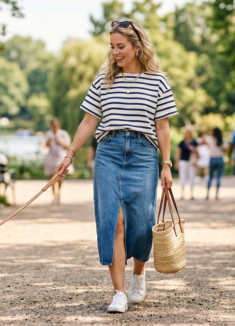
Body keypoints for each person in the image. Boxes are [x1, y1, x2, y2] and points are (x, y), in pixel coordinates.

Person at [53, 19, 177, 313]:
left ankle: (138, 274)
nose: (115, 52)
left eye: (120, 46)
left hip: (144, 154)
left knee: (142, 223)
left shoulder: (157, 81)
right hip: (107, 152)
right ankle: (119, 292)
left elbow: (163, 128)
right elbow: (88, 122)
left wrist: (167, 164)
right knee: (114, 221)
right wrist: (69, 154)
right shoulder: (103, 80)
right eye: (112, 47)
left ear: (137, 47)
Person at [44, 118, 71, 205]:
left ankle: (58, 193)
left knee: (60, 177)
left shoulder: (63, 133)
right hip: (51, 157)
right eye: (53, 125)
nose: (54, 127)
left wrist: (60, 142)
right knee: (51, 177)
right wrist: (49, 141)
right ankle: (54, 194)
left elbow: (68, 145)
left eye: (56, 125)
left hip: (60, 157)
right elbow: (45, 145)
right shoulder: (49, 134)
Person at [205, 127, 227, 200]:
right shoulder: (223, 140)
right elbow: (225, 150)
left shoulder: (210, 139)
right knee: (218, 177)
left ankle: (208, 193)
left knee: (210, 177)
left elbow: (204, 141)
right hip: (220, 158)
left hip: (212, 158)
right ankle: (216, 194)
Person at [176, 128, 198, 200]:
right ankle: (182, 194)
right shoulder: (182, 143)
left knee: (192, 177)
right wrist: (177, 162)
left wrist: (193, 149)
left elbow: (198, 152)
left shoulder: (195, 142)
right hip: (183, 161)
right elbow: (178, 153)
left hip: (192, 162)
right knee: (182, 177)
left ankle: (192, 194)